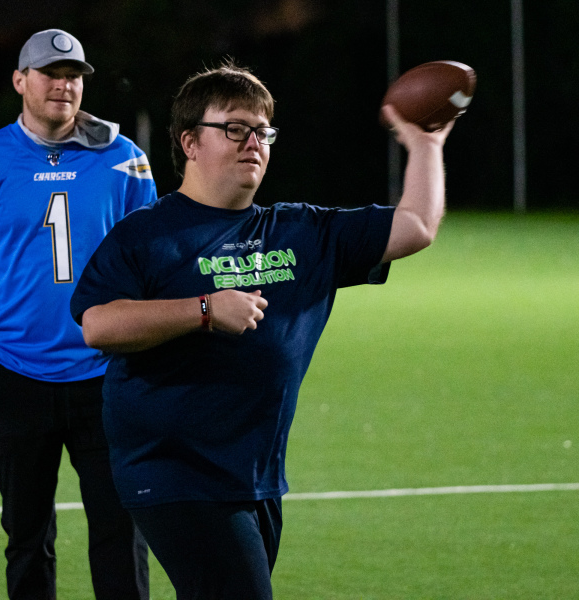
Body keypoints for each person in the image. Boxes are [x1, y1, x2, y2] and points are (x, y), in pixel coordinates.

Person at [69, 61, 454, 598]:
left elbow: (415, 226)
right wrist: (204, 309)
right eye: (234, 128)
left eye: (262, 131)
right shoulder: (146, 235)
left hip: (255, 473)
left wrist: (427, 144)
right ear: (189, 143)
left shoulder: (301, 230)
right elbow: (99, 323)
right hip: (173, 469)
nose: (253, 141)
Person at [0, 29, 156, 600]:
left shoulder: (125, 160)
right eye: (52, 73)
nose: (65, 85)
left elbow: (153, 265)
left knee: (122, 531)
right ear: (20, 81)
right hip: (14, 376)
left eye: (75, 75)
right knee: (26, 537)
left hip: (108, 376)